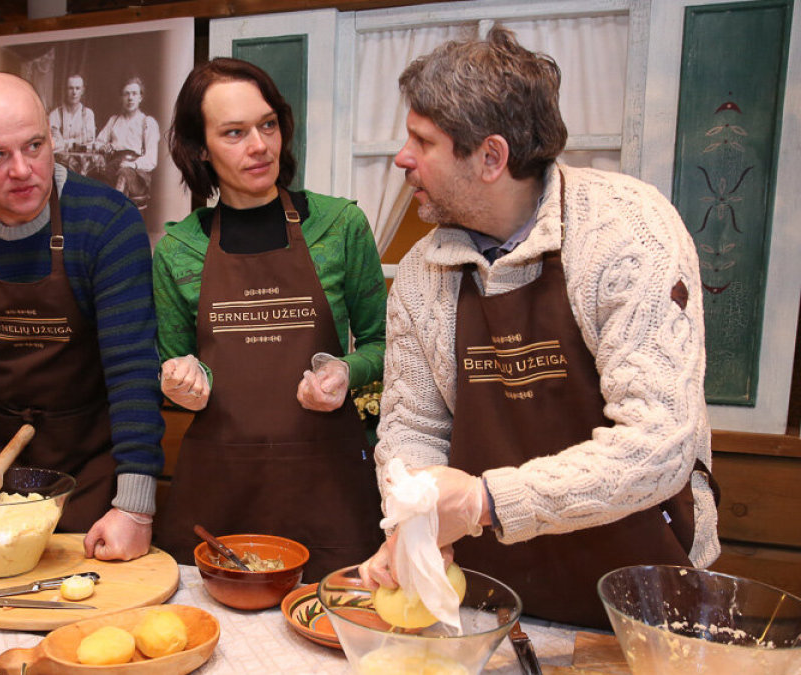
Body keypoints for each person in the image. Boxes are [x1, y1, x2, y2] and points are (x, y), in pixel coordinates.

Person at [359, 27, 719, 628]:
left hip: (642, 591)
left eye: (422, 141)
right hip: (487, 595)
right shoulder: (424, 272)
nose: (403, 158)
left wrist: (482, 501)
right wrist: (417, 520)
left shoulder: (628, 232)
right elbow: (414, 427)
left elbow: (659, 442)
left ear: (491, 158)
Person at [0, 72, 164, 562]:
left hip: (93, 461)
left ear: (52, 135)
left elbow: (131, 369)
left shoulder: (107, 221)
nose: (22, 169)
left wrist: (135, 508)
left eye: (35, 146)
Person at [152, 58, 387, 582]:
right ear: (200, 148)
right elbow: (172, 367)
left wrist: (348, 371)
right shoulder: (178, 250)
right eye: (234, 133)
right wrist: (184, 384)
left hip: (330, 486)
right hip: (221, 489)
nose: (259, 145)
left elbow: (384, 343)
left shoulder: (339, 226)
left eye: (268, 124)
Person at [95, 76, 159, 207]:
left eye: (134, 94)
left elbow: (151, 159)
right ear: (121, 98)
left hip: (137, 173)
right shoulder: (114, 120)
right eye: (126, 94)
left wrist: (132, 165)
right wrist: (103, 147)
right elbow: (98, 143)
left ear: (140, 98)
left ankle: (114, 215)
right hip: (113, 166)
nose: (130, 98)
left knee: (123, 174)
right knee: (94, 176)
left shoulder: (147, 122)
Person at [49, 74, 97, 174]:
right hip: (59, 164)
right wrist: (76, 142)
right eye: (70, 88)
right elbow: (52, 145)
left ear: (82, 91)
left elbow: (89, 143)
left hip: (83, 166)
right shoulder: (55, 115)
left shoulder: (88, 114)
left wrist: (64, 142)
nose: (74, 92)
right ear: (65, 90)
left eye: (77, 88)